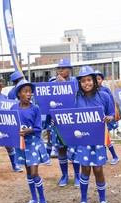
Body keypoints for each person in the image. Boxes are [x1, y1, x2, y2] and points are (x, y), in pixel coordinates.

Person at [67, 66, 115, 203]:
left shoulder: (104, 96)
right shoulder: (76, 98)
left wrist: (109, 118)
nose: (86, 83)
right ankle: (83, 200)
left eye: (89, 80)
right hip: (82, 140)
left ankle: (102, 199)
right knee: (85, 169)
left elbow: (112, 114)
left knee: (98, 170)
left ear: (94, 81)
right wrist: (57, 121)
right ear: (79, 83)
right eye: (83, 81)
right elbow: (69, 117)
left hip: (98, 138)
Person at [11, 80, 50, 203]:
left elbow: (38, 127)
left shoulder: (35, 109)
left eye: (30, 92)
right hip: (21, 144)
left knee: (34, 172)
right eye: (26, 91)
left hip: (33, 142)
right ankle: (34, 198)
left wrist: (28, 131)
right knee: (28, 172)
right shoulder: (13, 109)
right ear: (19, 94)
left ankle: (43, 200)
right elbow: (10, 126)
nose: (29, 94)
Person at [52, 58, 80, 187]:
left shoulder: (75, 82)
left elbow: (77, 98)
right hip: (58, 120)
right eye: (59, 68)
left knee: (74, 148)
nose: (60, 70)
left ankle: (78, 176)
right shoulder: (52, 82)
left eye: (63, 68)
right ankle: (64, 175)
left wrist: (64, 85)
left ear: (70, 69)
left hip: (73, 120)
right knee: (61, 148)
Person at [95, 70, 119, 165]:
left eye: (99, 79)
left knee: (106, 137)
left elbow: (111, 104)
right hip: (96, 120)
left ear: (102, 80)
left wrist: (112, 116)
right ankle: (104, 157)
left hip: (105, 119)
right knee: (101, 138)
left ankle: (115, 156)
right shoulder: (91, 92)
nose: (97, 81)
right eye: (95, 79)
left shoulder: (106, 91)